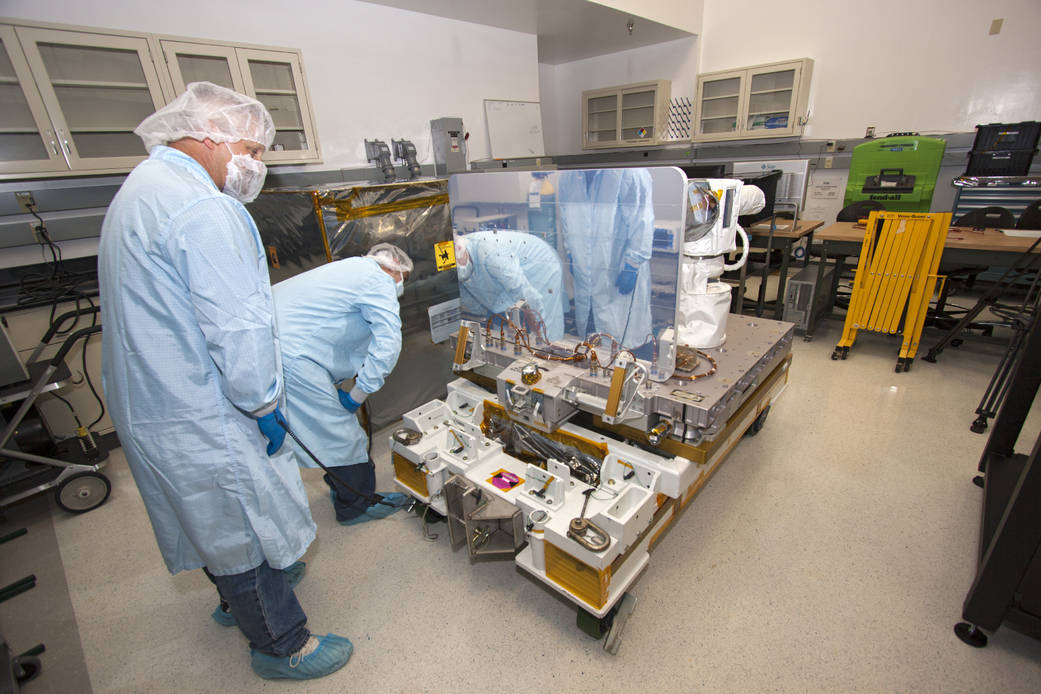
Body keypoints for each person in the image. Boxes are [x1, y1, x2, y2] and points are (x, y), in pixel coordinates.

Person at [98, 82, 351, 681]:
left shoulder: (144, 187)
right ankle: (281, 644)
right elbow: (239, 326)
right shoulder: (205, 209)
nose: (256, 165)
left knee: (211, 513)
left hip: (158, 399)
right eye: (253, 150)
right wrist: (262, 401)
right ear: (210, 136)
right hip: (202, 406)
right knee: (240, 522)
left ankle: (236, 601)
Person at [272, 244, 413, 524]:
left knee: (325, 430)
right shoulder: (377, 279)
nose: (401, 286)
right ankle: (355, 505)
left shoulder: (348, 268)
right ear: (394, 266)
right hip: (295, 360)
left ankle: (342, 486)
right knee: (342, 435)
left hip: (273, 349)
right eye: (403, 280)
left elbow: (333, 327)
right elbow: (388, 344)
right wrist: (357, 395)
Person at [556, 169, 655, 347]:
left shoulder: (630, 172)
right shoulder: (568, 175)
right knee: (590, 336)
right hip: (583, 269)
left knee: (623, 336)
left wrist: (633, 264)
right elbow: (566, 218)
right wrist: (571, 253)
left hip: (619, 267)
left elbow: (642, 220)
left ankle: (628, 354)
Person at [454, 231, 566, 342]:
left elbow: (525, 294)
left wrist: (537, 329)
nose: (459, 271)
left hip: (540, 265)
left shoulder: (492, 253)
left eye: (458, 264)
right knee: (506, 331)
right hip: (510, 275)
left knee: (544, 327)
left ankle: (550, 348)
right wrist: (488, 313)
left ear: (460, 248)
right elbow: (472, 301)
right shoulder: (456, 261)